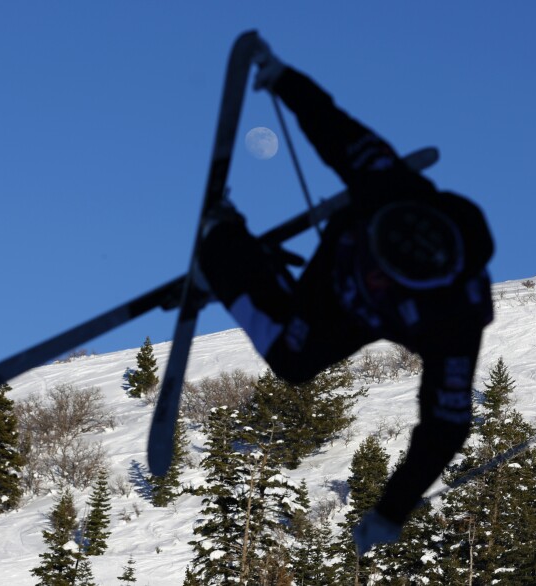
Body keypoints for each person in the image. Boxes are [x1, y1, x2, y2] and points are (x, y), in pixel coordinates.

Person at [197, 36, 495, 555]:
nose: (377, 275)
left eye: (388, 276)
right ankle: (222, 245)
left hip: (358, 318)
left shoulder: (456, 321)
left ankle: (249, 270)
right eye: (377, 261)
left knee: (294, 362)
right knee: (290, 323)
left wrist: (390, 511)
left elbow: (445, 427)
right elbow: (332, 125)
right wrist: (283, 78)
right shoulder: (389, 183)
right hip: (337, 259)